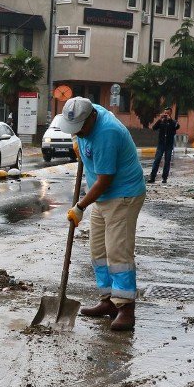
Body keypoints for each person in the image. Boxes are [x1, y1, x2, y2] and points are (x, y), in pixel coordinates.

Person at [59, 97, 147, 331]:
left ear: (92, 119)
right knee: (98, 250)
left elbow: (105, 180)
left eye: (79, 129)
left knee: (118, 251)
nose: (76, 132)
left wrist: (80, 206)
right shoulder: (85, 113)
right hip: (102, 197)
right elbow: (78, 130)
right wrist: (77, 139)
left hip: (123, 195)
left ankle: (126, 307)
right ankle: (107, 301)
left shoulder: (108, 133)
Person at [148, 108, 180, 184]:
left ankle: (164, 178)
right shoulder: (161, 121)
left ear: (170, 114)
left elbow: (177, 126)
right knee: (157, 160)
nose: (166, 115)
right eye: (165, 113)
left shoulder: (173, 122)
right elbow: (154, 128)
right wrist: (160, 119)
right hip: (161, 144)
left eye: (168, 113)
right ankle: (152, 177)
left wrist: (170, 120)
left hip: (169, 145)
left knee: (167, 161)